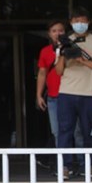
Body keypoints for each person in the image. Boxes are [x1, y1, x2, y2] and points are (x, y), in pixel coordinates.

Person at [55, 6, 92, 180]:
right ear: (71, 23)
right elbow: (57, 71)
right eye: (76, 21)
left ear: (88, 22)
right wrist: (63, 53)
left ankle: (90, 165)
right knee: (65, 131)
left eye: (82, 21)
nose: (79, 24)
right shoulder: (65, 41)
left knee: (89, 132)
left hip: (89, 93)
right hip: (66, 92)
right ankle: (65, 166)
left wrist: (83, 61)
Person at [35, 20, 67, 152]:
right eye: (54, 31)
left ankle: (81, 164)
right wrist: (39, 94)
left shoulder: (72, 49)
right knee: (56, 131)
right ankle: (63, 165)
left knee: (76, 131)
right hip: (53, 96)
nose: (57, 33)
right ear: (49, 34)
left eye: (60, 30)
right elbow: (42, 73)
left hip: (70, 94)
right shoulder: (45, 51)